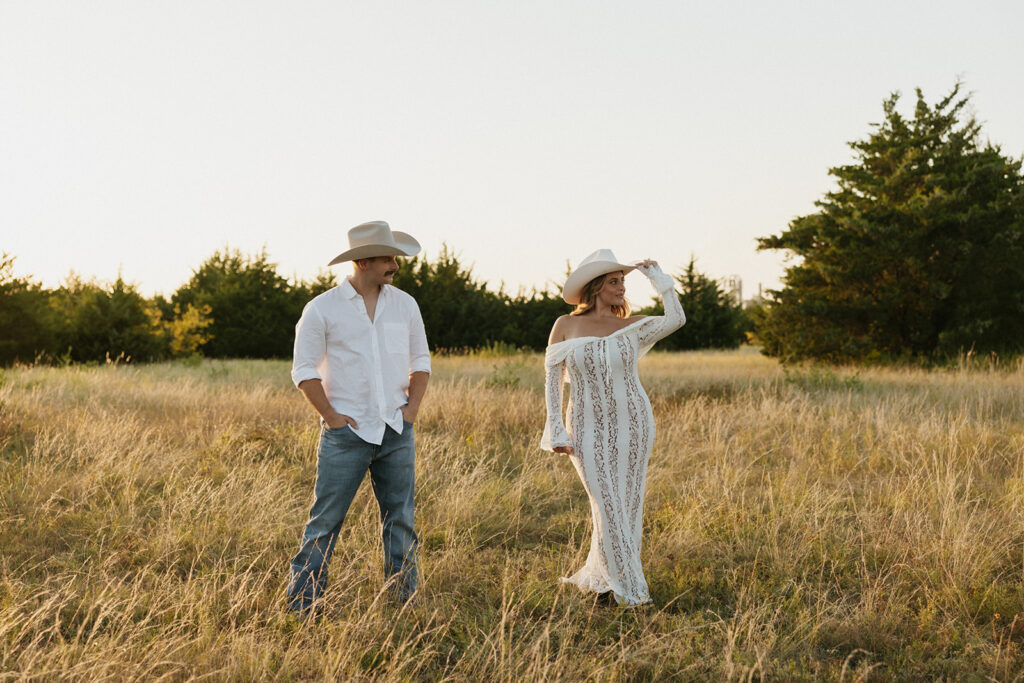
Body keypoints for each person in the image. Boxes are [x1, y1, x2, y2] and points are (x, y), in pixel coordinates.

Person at [286, 220, 431, 614]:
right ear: (363, 261)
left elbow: (421, 361)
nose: (395, 265)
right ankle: (303, 605)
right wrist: (331, 416)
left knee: (400, 521)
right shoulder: (322, 309)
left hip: (396, 430)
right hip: (345, 436)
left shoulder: (405, 305)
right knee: (324, 523)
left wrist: (412, 409)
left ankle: (404, 601)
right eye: (387, 258)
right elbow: (304, 370)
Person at [541, 248, 685, 607]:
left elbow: (676, 319)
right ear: (595, 287)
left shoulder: (631, 327)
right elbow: (552, 379)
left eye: (623, 281)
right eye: (614, 281)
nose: (622, 287)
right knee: (605, 502)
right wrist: (555, 429)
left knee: (628, 503)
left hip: (634, 423)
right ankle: (632, 592)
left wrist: (660, 280)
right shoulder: (564, 325)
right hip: (585, 427)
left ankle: (608, 586)